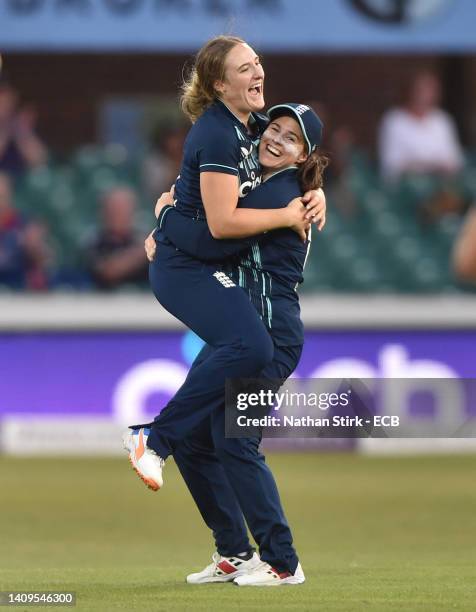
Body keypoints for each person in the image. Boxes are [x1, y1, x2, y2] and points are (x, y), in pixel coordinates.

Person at [122, 36, 325, 585]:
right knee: (201, 439)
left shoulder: (279, 193)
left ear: (306, 157)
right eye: (275, 129)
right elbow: (207, 183)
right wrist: (171, 201)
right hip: (242, 325)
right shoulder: (259, 162)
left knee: (236, 442)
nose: (278, 138)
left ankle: (283, 563)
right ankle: (234, 550)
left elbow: (215, 221)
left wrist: (166, 218)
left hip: (270, 332)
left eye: (293, 139)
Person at [83, 186, 148, 290]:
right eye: (114, 209)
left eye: (124, 209)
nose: (119, 214)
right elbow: (108, 271)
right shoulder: (95, 240)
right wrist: (141, 253)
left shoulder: (139, 237)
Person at [0, 80, 47, 178]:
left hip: (21, 179)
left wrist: (21, 129)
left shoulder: (18, 126)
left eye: (8, 100)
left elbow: (39, 160)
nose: (5, 104)